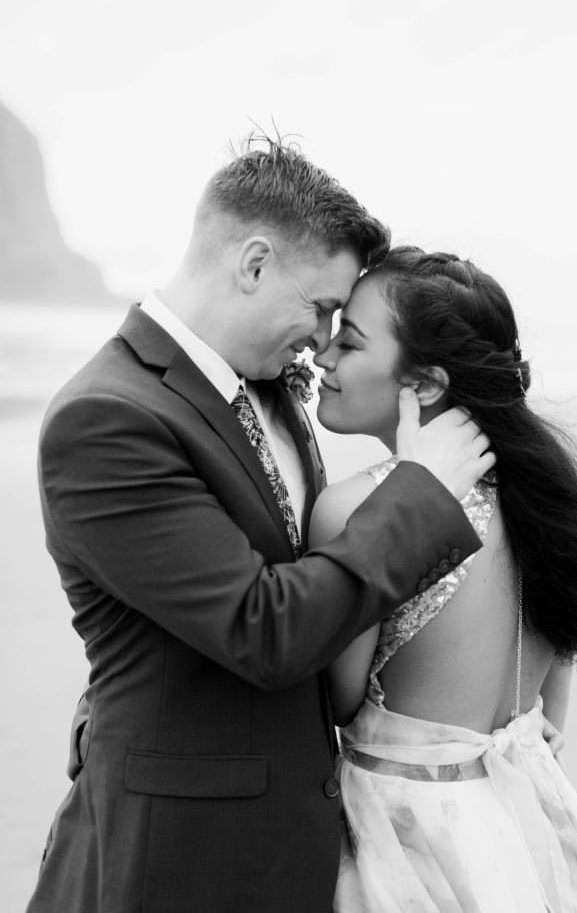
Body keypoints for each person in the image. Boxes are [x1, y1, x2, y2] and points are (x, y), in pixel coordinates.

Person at [26, 146, 496, 913]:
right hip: (178, 853)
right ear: (253, 265)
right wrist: (421, 493)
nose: (320, 339)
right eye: (318, 308)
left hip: (295, 837)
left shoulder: (267, 384)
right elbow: (260, 627)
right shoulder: (106, 419)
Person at [310, 246, 577, 913]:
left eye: (350, 342)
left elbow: (337, 701)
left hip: (408, 837)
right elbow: (556, 677)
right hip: (530, 820)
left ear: (422, 383)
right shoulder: (547, 500)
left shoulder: (356, 510)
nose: (322, 357)